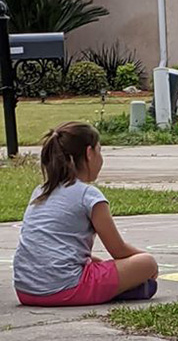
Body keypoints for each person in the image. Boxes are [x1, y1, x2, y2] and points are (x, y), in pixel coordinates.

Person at [13, 122, 159, 306]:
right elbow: (118, 250)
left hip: (26, 291)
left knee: (93, 261)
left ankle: (121, 288)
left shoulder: (40, 192)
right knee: (146, 263)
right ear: (89, 153)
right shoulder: (88, 195)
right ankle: (123, 288)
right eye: (100, 150)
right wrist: (147, 263)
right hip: (66, 288)